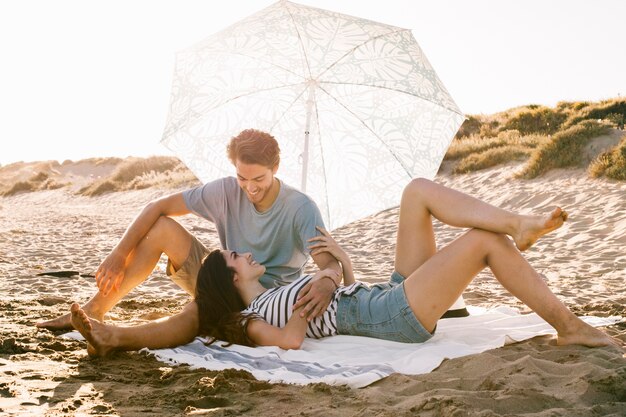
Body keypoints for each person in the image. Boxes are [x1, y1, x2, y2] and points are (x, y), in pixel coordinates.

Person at [68, 179, 621, 356]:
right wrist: (115, 334)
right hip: (393, 315)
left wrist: (340, 269)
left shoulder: (291, 237)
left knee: (417, 191)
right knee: (483, 244)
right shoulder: (256, 312)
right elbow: (284, 341)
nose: (237, 249)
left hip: (379, 295)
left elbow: (340, 286)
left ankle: (516, 221)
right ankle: (568, 326)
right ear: (235, 281)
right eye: (233, 257)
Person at [37, 129, 342, 331]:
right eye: (241, 178)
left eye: (258, 179)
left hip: (265, 303)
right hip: (223, 283)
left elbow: (328, 262)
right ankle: (95, 310)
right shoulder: (224, 191)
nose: (250, 188)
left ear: (275, 168)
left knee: (192, 321)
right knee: (161, 228)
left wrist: (328, 281)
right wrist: (119, 254)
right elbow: (156, 206)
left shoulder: (301, 207)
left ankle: (119, 335)